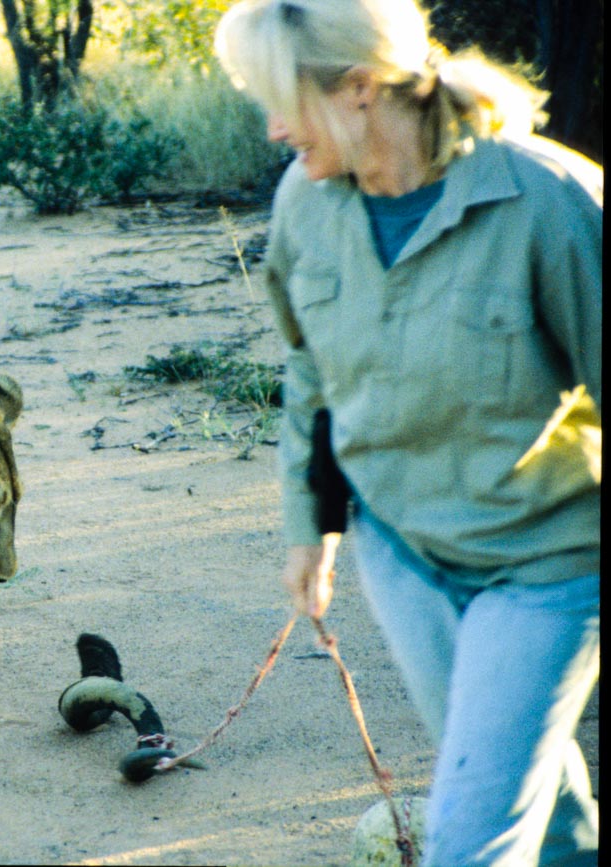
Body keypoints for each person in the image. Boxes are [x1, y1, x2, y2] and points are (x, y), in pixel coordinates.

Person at [213, 1, 601, 864]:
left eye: (284, 101)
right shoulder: (304, 203)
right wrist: (310, 521)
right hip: (401, 551)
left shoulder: (547, 200)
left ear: (359, 89)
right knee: (538, 799)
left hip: (544, 562)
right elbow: (312, 369)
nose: (274, 129)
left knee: (470, 837)